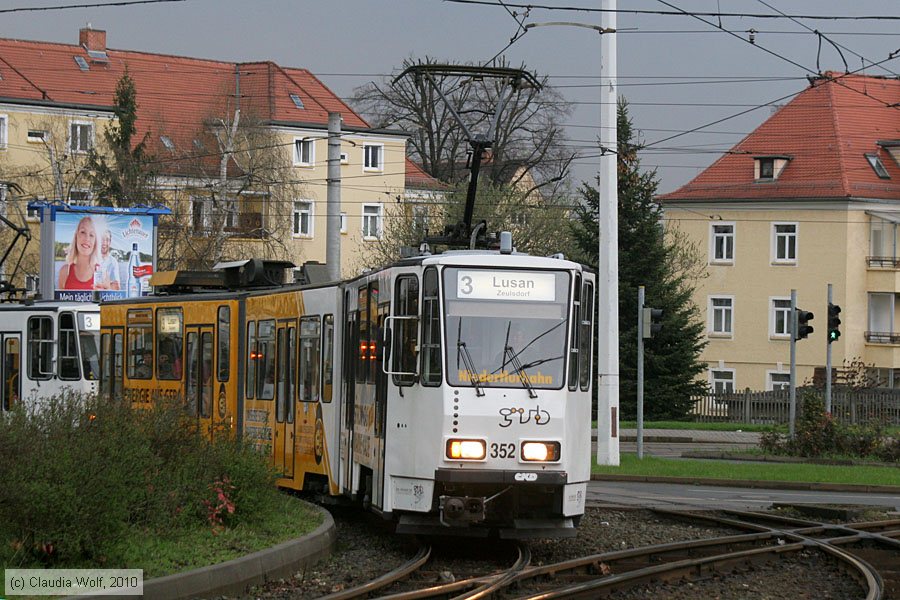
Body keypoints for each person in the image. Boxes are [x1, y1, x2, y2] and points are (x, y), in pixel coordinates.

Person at [57, 216, 100, 290]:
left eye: (91, 235)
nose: (87, 238)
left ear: (95, 242)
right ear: (76, 236)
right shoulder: (64, 272)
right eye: (83, 232)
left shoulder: (102, 272)